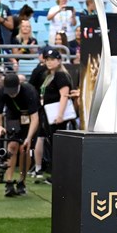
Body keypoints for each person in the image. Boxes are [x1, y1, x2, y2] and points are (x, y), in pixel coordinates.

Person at [26, 47, 75, 180]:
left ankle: (59, 173)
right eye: (47, 59)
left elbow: (64, 95)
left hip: (55, 114)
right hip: (48, 112)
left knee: (56, 143)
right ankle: (54, 172)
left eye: (52, 59)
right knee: (51, 142)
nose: (49, 62)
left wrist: (60, 115)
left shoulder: (60, 75)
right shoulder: (48, 75)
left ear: (59, 60)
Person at [0, 72, 41, 198]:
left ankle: (21, 181)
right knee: (12, 146)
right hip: (13, 117)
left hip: (29, 120)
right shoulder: (3, 92)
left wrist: (29, 138)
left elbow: (35, 118)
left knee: (25, 150)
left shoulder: (29, 92)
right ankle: (8, 182)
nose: (11, 93)